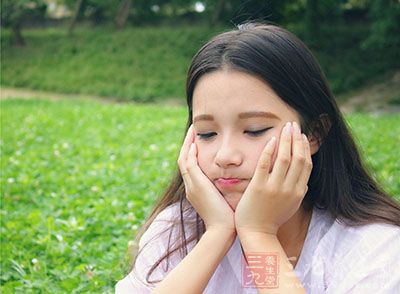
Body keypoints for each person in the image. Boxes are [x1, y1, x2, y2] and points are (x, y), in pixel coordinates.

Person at [115, 23, 400, 293]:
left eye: (254, 130)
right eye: (206, 133)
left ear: (313, 134)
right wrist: (217, 234)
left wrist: (259, 235)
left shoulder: (374, 246)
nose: (225, 156)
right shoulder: (177, 230)